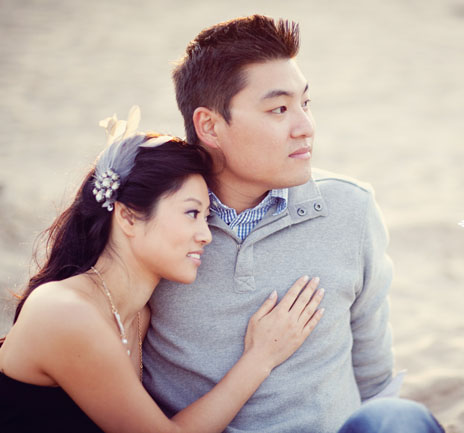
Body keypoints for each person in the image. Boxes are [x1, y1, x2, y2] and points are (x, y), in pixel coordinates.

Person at [143, 15, 445, 432]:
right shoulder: (157, 224)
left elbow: (374, 374)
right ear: (209, 126)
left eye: (305, 104)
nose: (305, 127)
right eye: (279, 109)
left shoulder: (350, 208)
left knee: (397, 418)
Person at [0, 106, 326, 433]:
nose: (206, 234)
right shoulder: (66, 311)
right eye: (191, 213)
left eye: (207, 216)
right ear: (127, 217)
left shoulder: (139, 316)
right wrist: (260, 358)